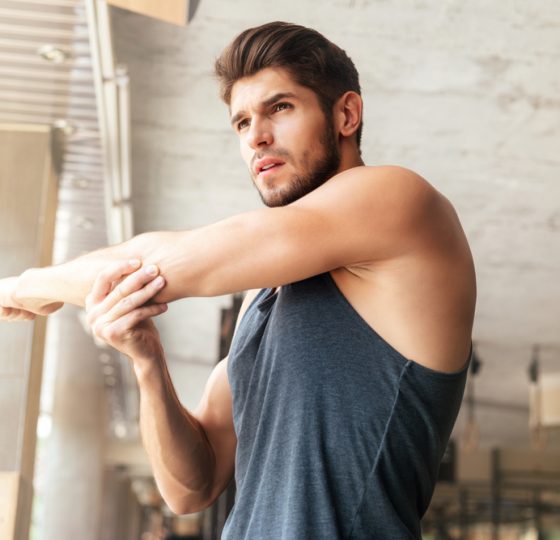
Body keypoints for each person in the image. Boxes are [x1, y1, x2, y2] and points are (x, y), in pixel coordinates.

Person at [0, 22, 476, 539]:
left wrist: (25, 287)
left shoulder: (397, 200)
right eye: (242, 122)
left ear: (346, 114)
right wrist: (148, 362)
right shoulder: (265, 294)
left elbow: (149, 266)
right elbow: (191, 487)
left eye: (280, 108)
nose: (256, 137)